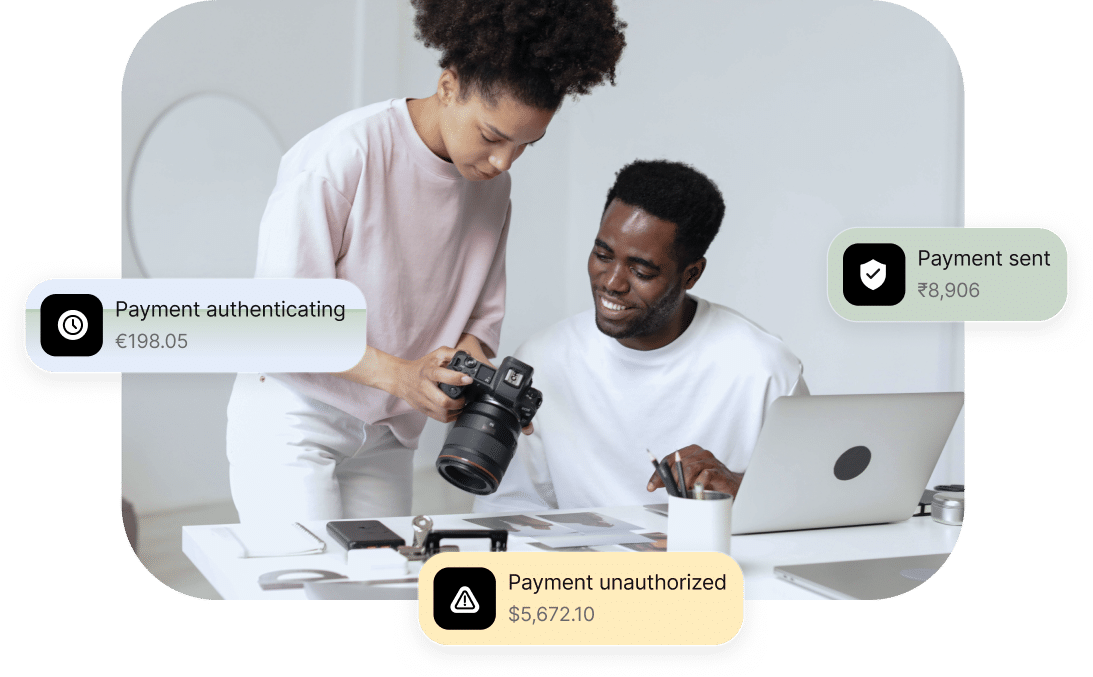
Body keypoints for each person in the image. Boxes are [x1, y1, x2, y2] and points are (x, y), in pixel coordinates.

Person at [227, 0, 626, 522]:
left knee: (380, 591)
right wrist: (402, 377)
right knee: (308, 592)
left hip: (389, 435)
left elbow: (479, 324)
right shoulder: (345, 155)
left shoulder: (494, 190)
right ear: (448, 86)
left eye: (527, 144)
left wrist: (468, 382)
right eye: (491, 135)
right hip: (295, 416)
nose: (504, 161)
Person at [473, 160, 808, 513]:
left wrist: (744, 491)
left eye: (641, 269)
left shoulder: (766, 371)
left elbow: (810, 509)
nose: (612, 283)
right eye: (603, 255)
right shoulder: (542, 359)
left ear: (691, 274)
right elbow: (507, 511)